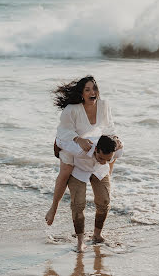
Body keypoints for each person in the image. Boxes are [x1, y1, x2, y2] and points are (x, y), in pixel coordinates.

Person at [45, 76, 115, 226]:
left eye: (94, 89)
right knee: (66, 171)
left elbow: (109, 127)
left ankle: (107, 177)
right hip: (69, 141)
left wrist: (115, 138)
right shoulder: (72, 109)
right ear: (82, 93)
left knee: (111, 152)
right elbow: (63, 132)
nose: (92, 92)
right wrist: (78, 139)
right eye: (87, 89)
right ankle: (53, 207)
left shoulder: (104, 105)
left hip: (91, 140)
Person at [56, 134, 123, 252]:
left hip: (99, 172)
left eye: (107, 159)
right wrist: (77, 139)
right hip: (79, 170)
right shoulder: (80, 148)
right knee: (78, 204)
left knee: (105, 201)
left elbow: (113, 159)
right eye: (101, 158)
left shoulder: (116, 149)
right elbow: (61, 140)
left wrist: (109, 170)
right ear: (96, 149)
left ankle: (97, 235)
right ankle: (80, 242)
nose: (104, 162)